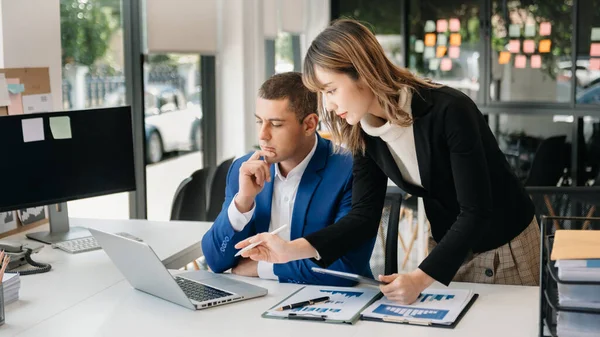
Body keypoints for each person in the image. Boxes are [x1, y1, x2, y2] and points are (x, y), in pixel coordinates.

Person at [236, 19, 540, 304]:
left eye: (330, 90)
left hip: (505, 245)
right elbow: (363, 217)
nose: (328, 104)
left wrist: (419, 279)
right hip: (448, 249)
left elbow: (475, 211)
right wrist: (290, 250)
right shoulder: (362, 130)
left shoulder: (450, 110)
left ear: (363, 72)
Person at [201, 71, 375, 286]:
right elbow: (216, 260)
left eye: (275, 124)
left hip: (332, 302)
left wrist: (263, 268)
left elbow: (346, 267)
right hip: (260, 300)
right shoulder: (244, 169)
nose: (263, 135)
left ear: (309, 125)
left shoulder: (351, 169)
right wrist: (243, 202)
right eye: (259, 122)